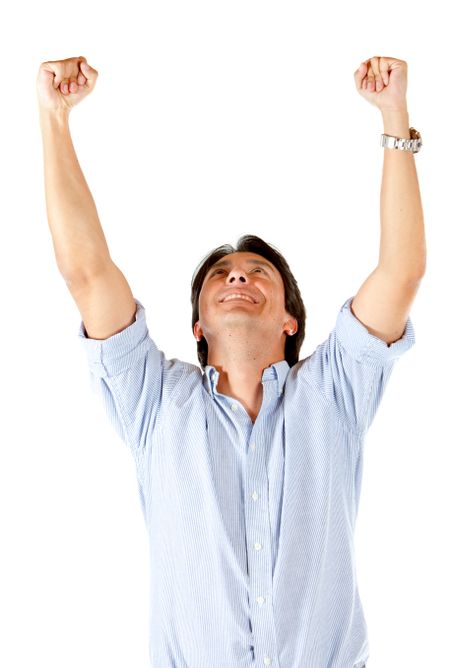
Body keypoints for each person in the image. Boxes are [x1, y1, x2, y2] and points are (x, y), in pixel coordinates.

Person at [37, 55, 425, 667]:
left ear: (290, 319)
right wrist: (54, 116)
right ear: (198, 323)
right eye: (220, 274)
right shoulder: (155, 402)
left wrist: (394, 114)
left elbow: (401, 273)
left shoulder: (333, 393)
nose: (238, 274)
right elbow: (86, 273)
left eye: (258, 271)